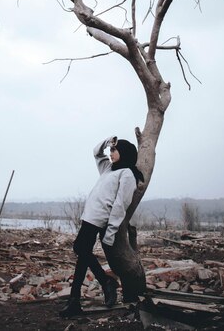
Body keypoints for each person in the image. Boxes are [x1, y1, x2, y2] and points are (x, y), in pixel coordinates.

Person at [60, 136, 144, 318]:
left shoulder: (127, 174)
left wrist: (112, 230)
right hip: (89, 215)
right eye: (111, 151)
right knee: (82, 256)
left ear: (125, 153)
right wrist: (108, 142)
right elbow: (96, 152)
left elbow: (121, 204)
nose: (111, 153)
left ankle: (104, 282)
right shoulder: (108, 169)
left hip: (99, 218)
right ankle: (76, 299)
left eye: (115, 150)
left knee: (79, 248)